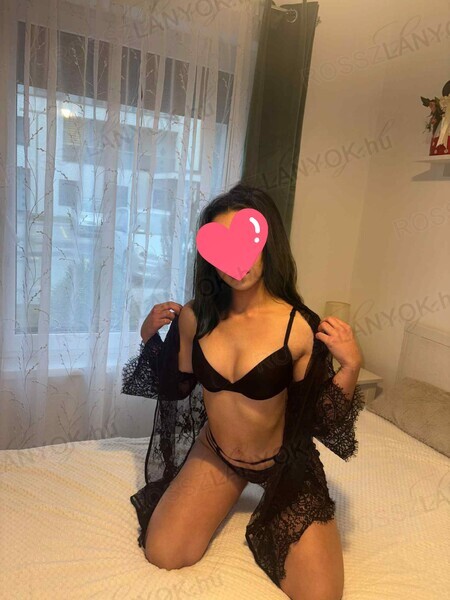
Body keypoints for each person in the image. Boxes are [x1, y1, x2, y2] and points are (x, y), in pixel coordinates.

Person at [122, 184, 365, 600]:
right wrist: (150, 338)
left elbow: (322, 420)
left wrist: (352, 366)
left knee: (322, 596)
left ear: (268, 245)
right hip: (217, 452)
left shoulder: (299, 327)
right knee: (164, 553)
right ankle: (231, 485)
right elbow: (177, 386)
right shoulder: (196, 316)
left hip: (283, 462)